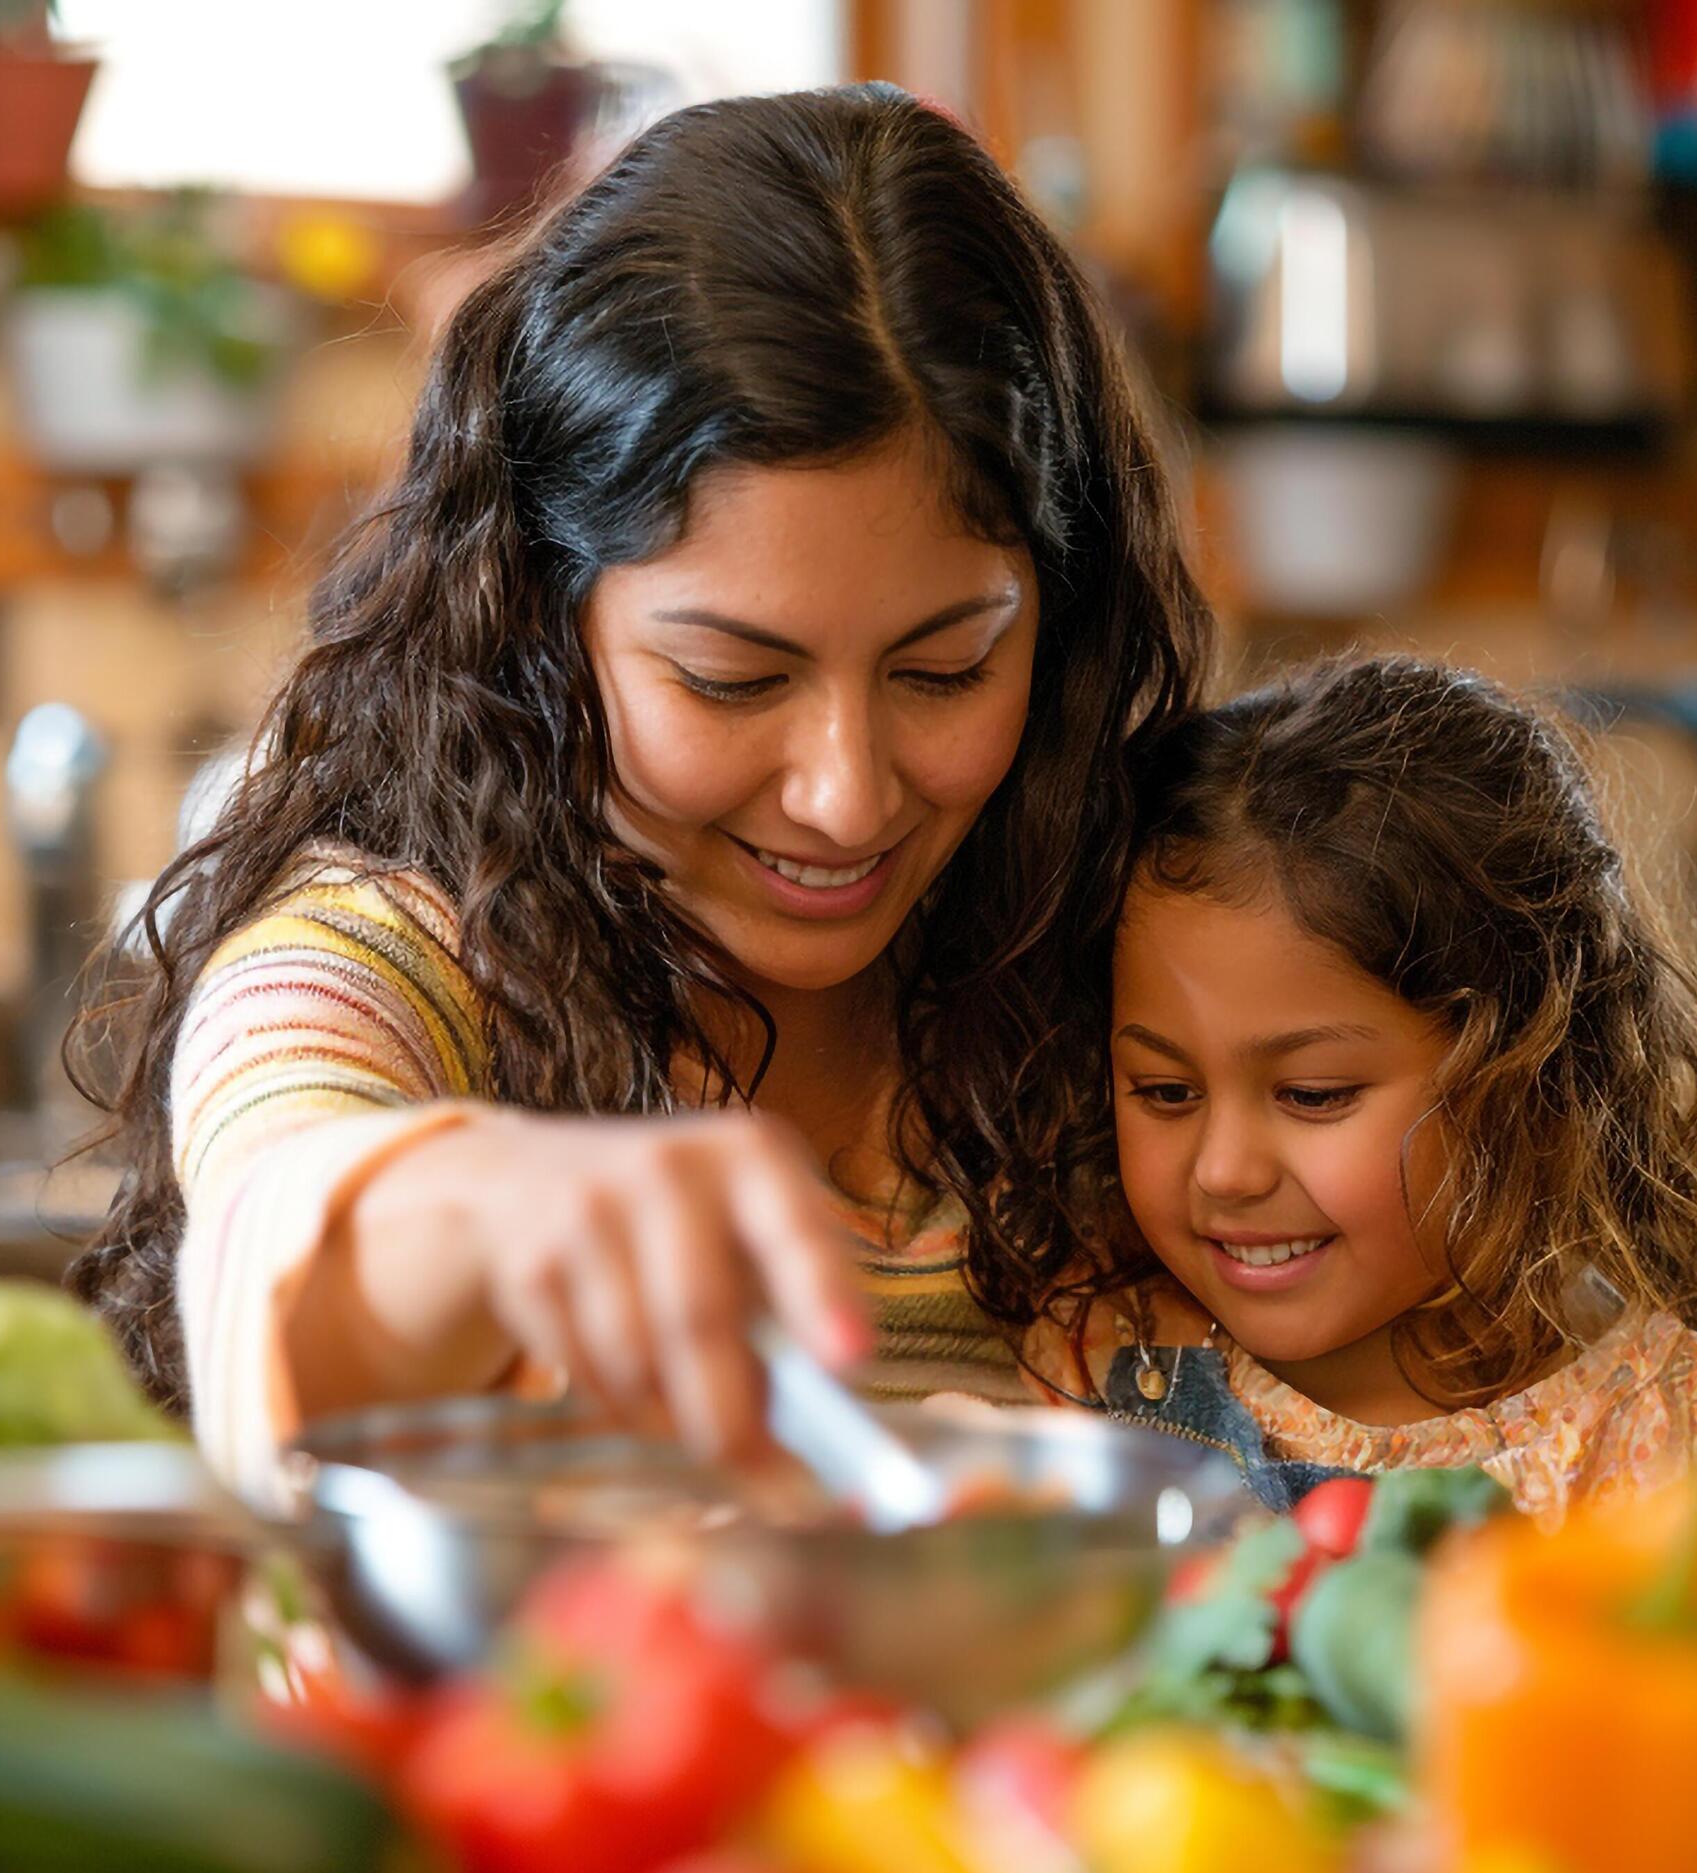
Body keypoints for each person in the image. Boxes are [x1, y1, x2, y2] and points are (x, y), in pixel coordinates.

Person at [72, 84, 1206, 1498]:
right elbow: (281, 1202)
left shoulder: (1141, 957)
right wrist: (496, 1204)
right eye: (732, 682)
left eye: (945, 670)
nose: (845, 799)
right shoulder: (386, 962)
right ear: (548, 618)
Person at [1018, 657, 1697, 1520]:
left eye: (1312, 1095)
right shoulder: (1091, 1360)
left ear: (1528, 1066)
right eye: (1165, 1091)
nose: (1225, 1172)